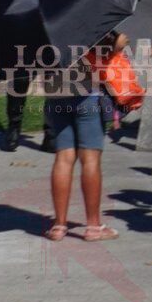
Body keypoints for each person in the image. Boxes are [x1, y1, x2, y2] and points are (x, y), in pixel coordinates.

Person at [42, 38, 119, 240]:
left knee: (63, 158)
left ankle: (59, 226)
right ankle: (93, 226)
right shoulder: (87, 19)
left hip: (54, 93)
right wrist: (120, 42)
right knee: (90, 159)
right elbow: (108, 49)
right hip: (86, 93)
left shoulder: (39, 23)